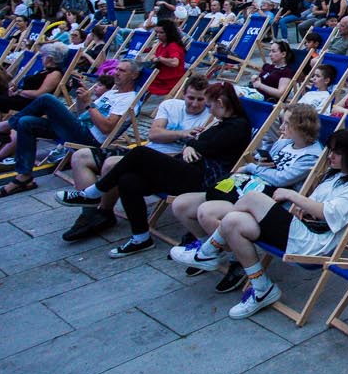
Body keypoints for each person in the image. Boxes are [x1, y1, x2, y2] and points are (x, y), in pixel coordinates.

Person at [185, 127, 348, 317]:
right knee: (234, 220)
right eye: (330, 150)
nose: (330, 156)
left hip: (312, 243)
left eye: (337, 153)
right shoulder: (335, 175)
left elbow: (327, 212)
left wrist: (293, 196)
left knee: (253, 198)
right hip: (302, 229)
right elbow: (315, 204)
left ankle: (208, 251)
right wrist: (302, 207)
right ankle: (262, 288)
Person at [56, 80, 250, 256]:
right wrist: (191, 144)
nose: (209, 110)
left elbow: (207, 146)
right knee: (128, 180)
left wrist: (193, 144)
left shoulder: (237, 126)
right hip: (187, 170)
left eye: (210, 105)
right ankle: (141, 238)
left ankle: (93, 193)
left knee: (140, 153)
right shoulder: (224, 123)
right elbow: (199, 142)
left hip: (201, 178)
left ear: (221, 103)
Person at [170, 104, 326, 290]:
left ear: (301, 126)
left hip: (266, 202)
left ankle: (235, 261)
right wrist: (261, 161)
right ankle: (210, 253)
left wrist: (252, 167)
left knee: (207, 212)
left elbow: (281, 179)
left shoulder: (312, 155)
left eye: (286, 123)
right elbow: (267, 164)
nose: (281, 127)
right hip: (246, 189)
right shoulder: (284, 143)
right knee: (181, 204)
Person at [0, 59, 141, 197]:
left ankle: (5, 127)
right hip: (78, 128)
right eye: (117, 69)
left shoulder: (129, 99)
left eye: (122, 71)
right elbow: (82, 114)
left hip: (89, 138)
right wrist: (81, 98)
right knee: (26, 122)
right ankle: (24, 176)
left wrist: (90, 103)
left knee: (47, 99)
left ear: (134, 75)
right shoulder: (111, 93)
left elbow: (107, 128)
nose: (116, 73)